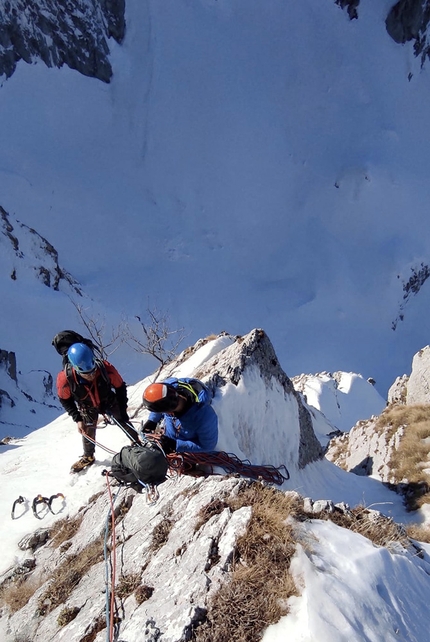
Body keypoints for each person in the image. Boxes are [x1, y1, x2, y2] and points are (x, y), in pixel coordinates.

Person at [56, 343, 140, 472]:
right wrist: (77, 418)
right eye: (86, 373)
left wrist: (123, 409)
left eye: (92, 371)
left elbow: (120, 388)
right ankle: (88, 456)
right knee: (87, 431)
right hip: (87, 406)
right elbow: (65, 400)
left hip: (108, 400)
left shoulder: (106, 369)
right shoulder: (65, 379)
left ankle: (137, 443)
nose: (91, 375)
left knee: (122, 419)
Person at [141, 377, 218, 454]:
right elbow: (160, 400)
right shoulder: (170, 388)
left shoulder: (204, 417)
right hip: (169, 440)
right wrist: (152, 420)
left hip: (187, 450)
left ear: (169, 411)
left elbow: (208, 446)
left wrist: (176, 445)